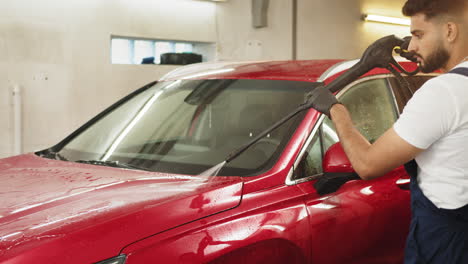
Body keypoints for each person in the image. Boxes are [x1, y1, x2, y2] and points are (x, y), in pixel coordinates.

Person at [307, 0, 468, 263]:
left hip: (446, 244)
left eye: (419, 34)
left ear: (450, 31)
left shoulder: (444, 92)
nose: (412, 45)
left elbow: (368, 165)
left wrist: (336, 110)